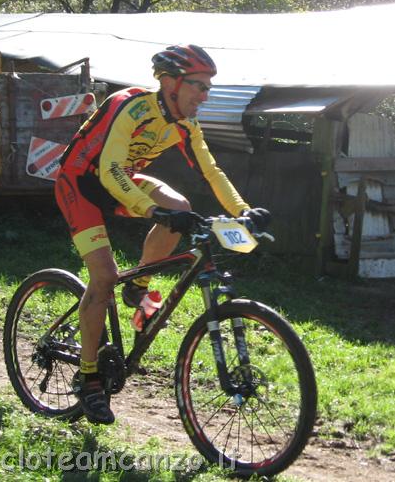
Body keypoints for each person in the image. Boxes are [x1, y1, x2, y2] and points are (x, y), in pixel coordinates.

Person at [54, 44, 270, 424]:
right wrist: (152, 210)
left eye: (208, 87)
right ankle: (88, 380)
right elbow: (109, 170)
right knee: (102, 278)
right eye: (199, 86)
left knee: (182, 208)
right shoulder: (131, 106)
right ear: (170, 83)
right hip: (82, 183)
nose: (206, 95)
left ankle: (139, 285)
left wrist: (242, 211)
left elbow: (211, 171)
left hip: (122, 180)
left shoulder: (185, 124)